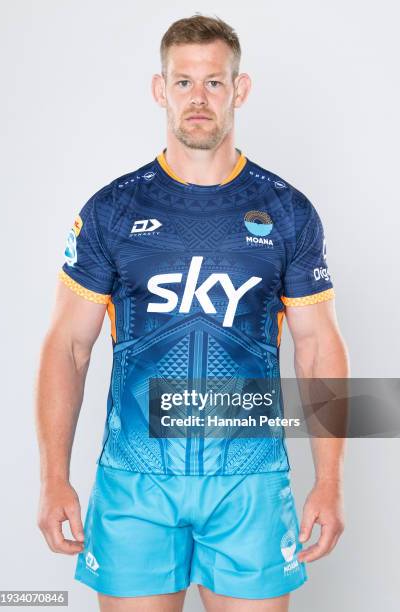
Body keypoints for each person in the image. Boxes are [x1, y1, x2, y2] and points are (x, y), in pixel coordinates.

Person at [35, 14, 348, 612]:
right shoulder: (112, 210)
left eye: (213, 82)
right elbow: (66, 348)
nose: (198, 98)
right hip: (135, 479)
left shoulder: (286, 211)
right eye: (183, 82)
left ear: (240, 89)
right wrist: (53, 476)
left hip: (249, 479)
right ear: (160, 90)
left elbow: (318, 347)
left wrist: (330, 482)